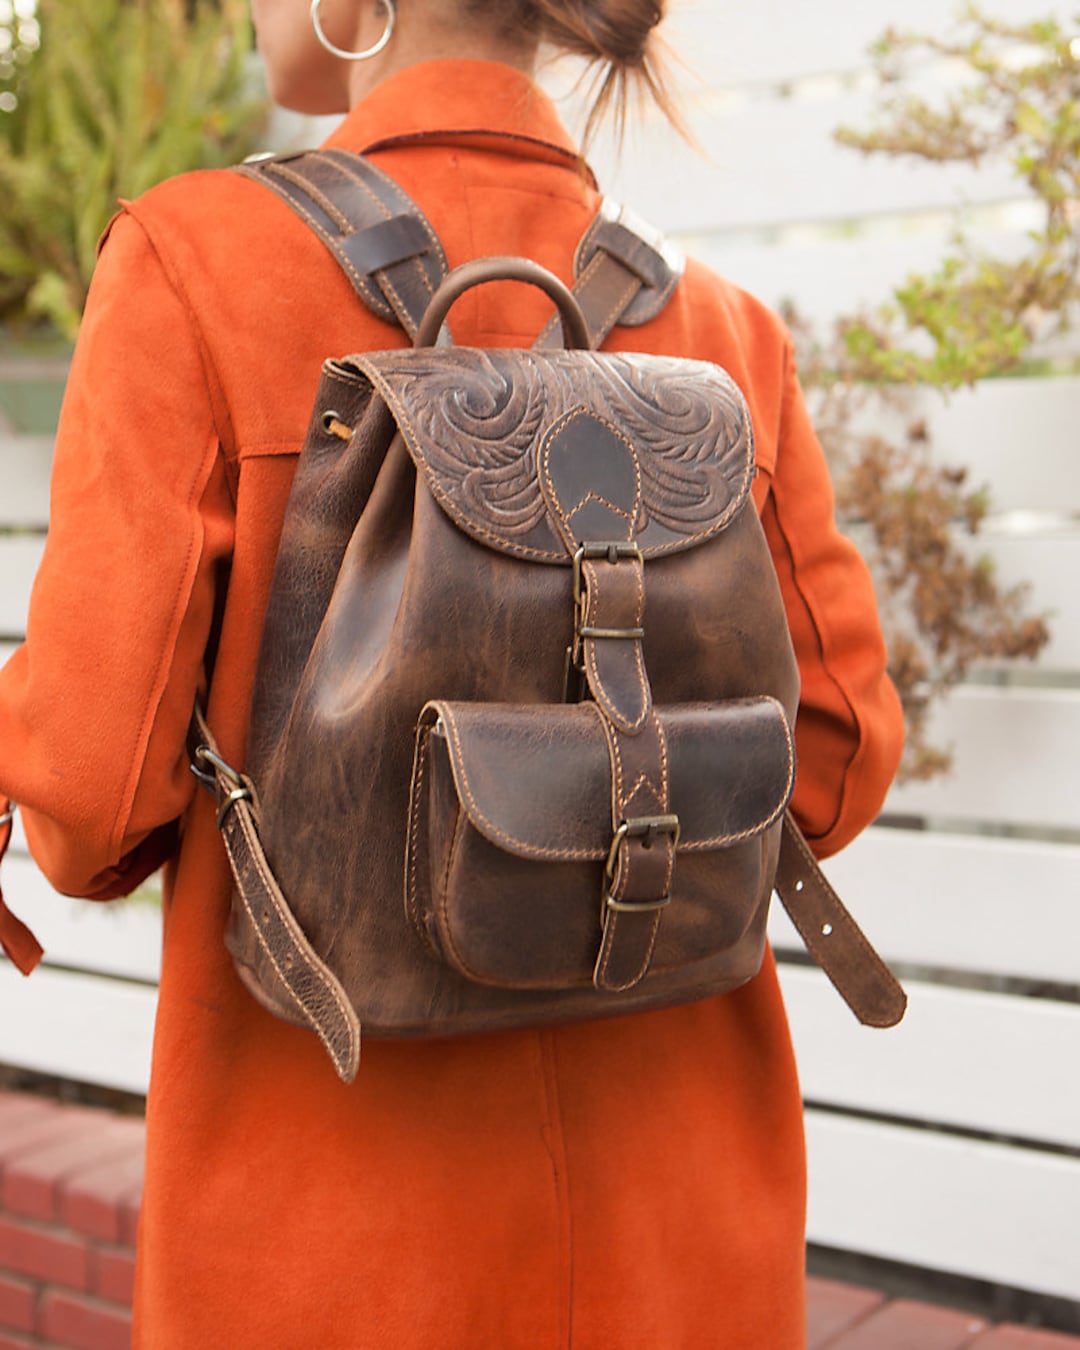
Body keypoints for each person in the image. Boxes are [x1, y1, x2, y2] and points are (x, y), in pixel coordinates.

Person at [0, 1, 904, 1344]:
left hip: (332, 1250)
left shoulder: (196, 264)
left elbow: (89, 791)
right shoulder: (722, 330)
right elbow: (830, 767)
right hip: (684, 1246)